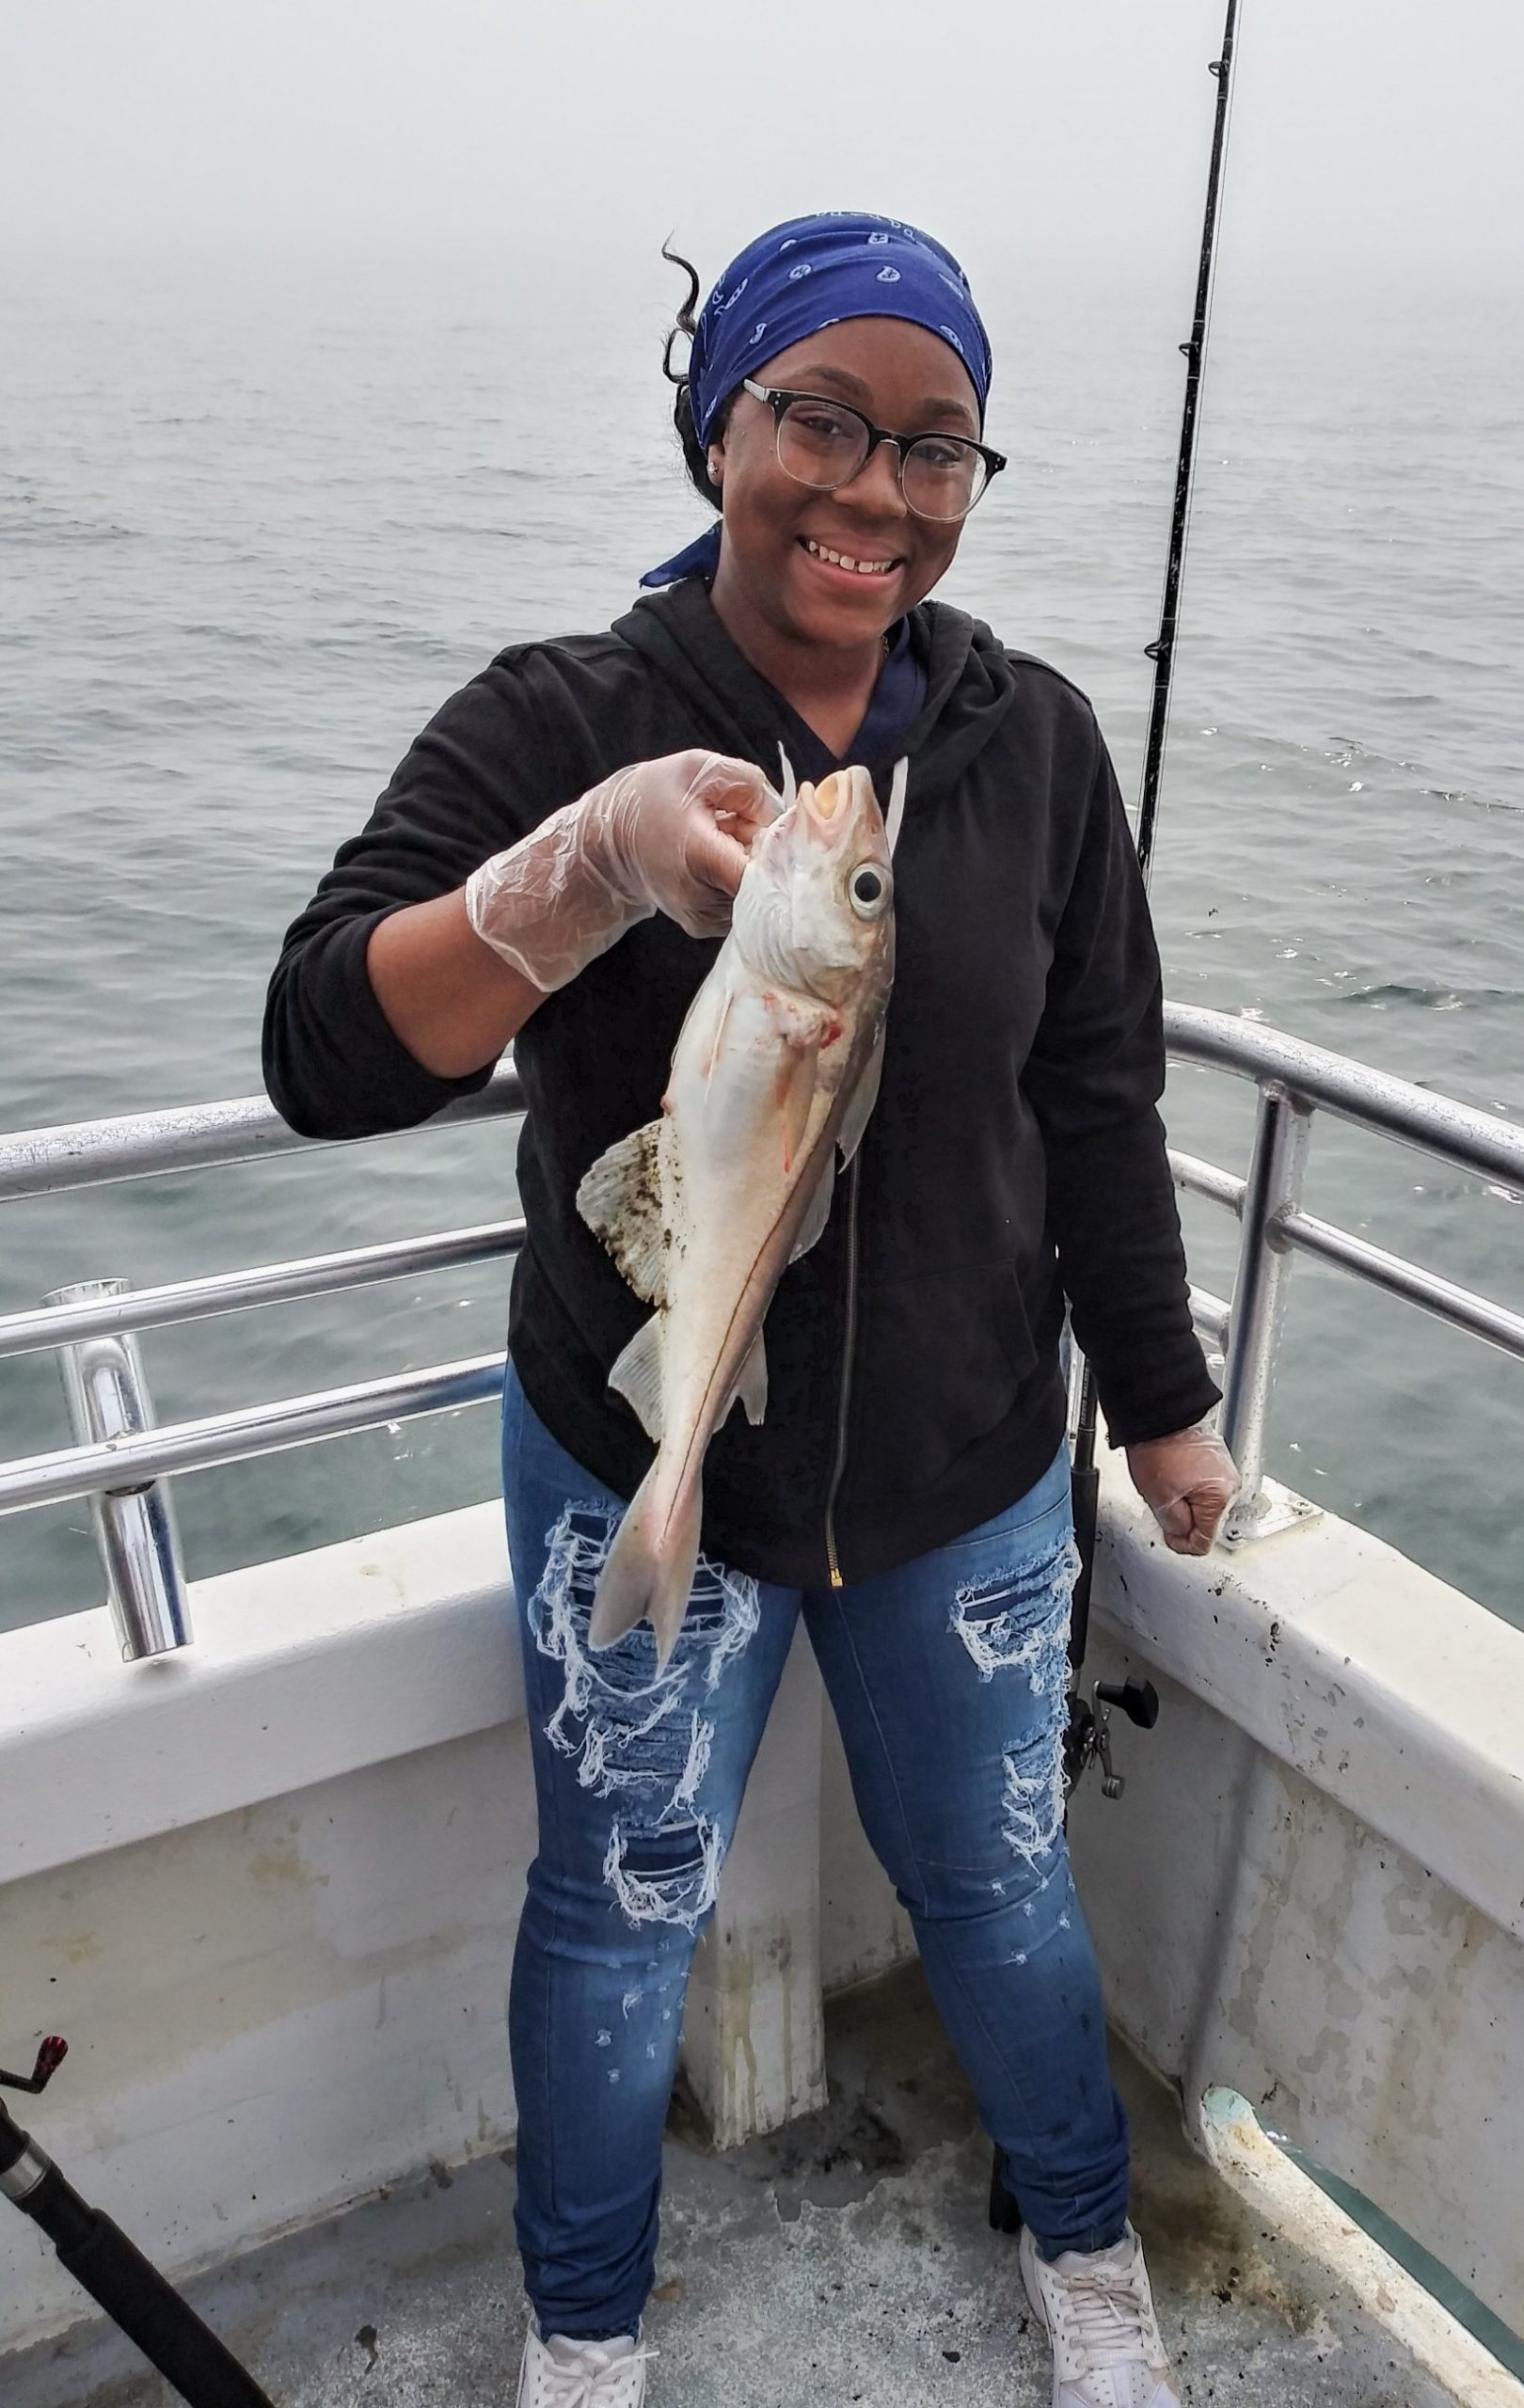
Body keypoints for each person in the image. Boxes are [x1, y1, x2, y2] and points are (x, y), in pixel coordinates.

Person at [263, 211, 1239, 2408]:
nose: (875, 493)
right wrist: (584, 865)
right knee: (616, 1910)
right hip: (638, 1442)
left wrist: (1163, 1404)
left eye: (937, 447)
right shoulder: (562, 715)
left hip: (968, 1464)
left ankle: (1090, 2252)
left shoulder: (1038, 748)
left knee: (997, 1884)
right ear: (720, 426)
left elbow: (1095, 1102)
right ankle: (583, 2326)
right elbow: (323, 1046)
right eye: (819, 420)